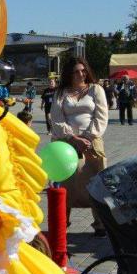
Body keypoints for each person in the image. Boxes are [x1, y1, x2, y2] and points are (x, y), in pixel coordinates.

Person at [51, 57, 108, 235]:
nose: (81, 74)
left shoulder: (95, 89)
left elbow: (101, 116)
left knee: (96, 183)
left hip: (92, 141)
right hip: (66, 142)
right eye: (76, 71)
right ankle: (62, 222)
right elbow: (56, 119)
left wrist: (87, 138)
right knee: (65, 183)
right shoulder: (61, 93)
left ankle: (99, 224)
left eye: (83, 70)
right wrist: (73, 138)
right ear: (69, 73)